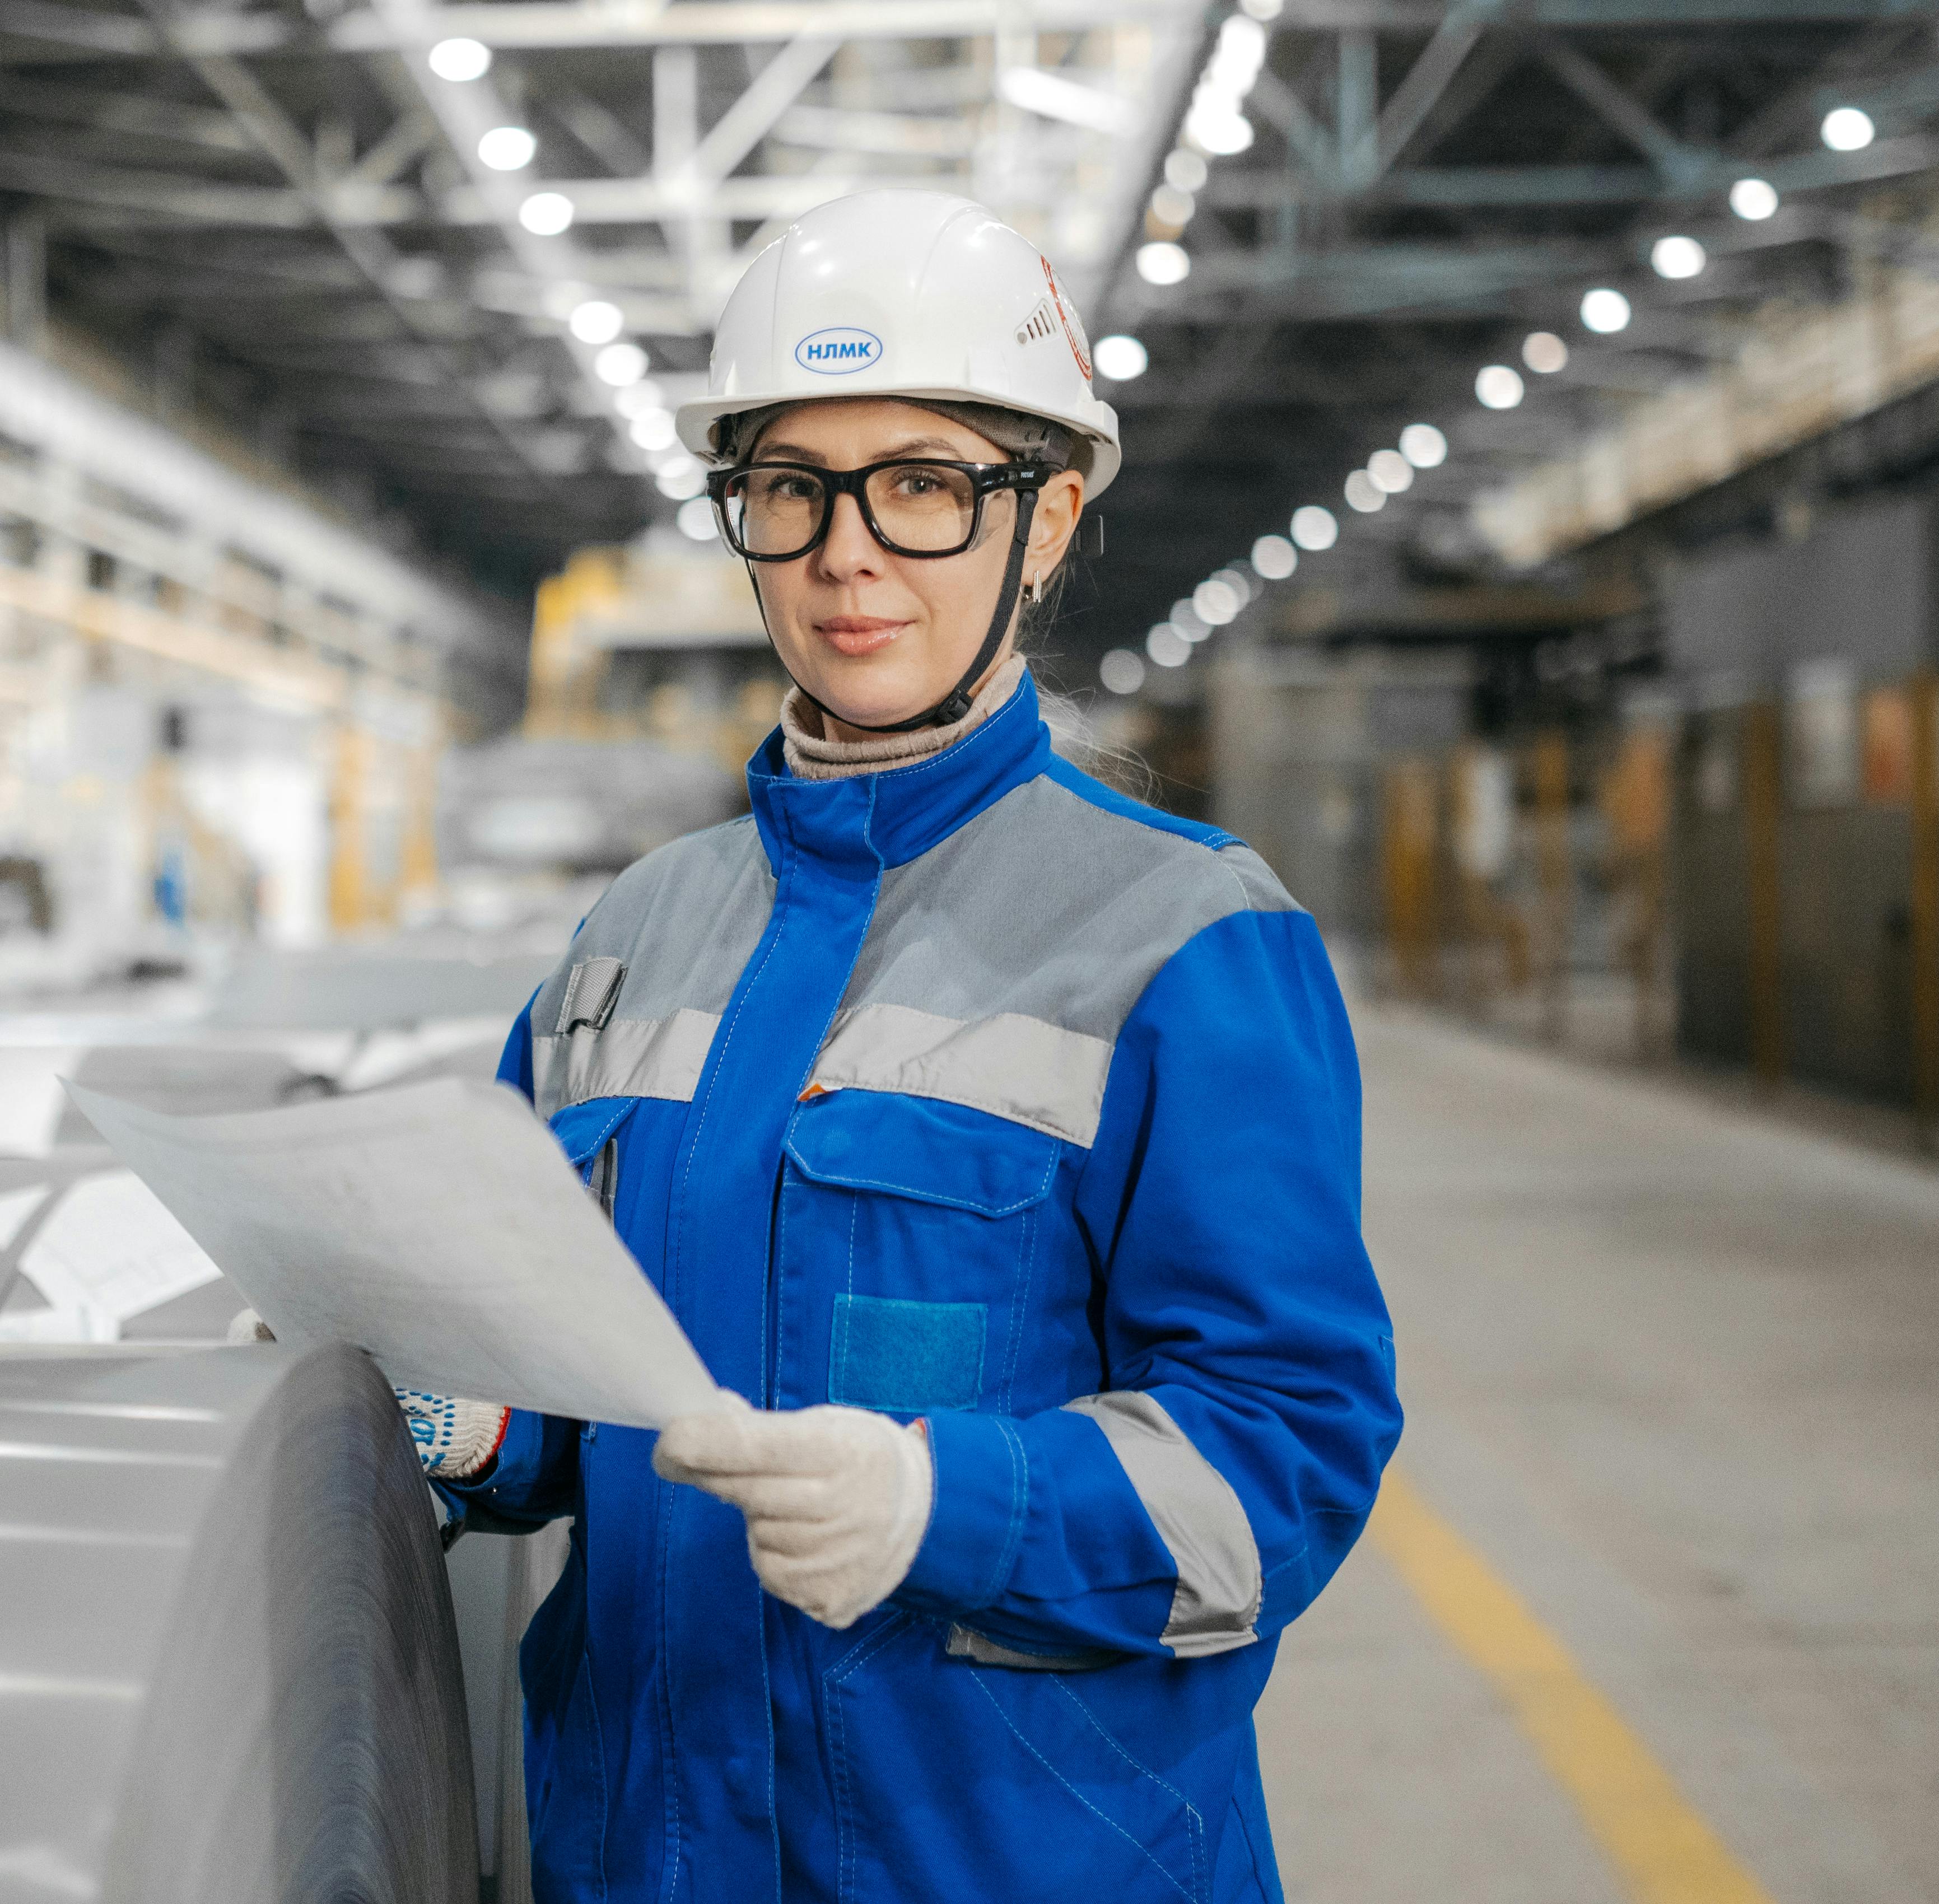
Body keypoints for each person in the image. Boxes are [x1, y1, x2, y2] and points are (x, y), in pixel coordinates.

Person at [400, 188, 1400, 1904]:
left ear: (1051, 513)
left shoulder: (1188, 942)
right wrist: (463, 1421)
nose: (849, 553)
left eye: (925, 486)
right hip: (640, 1854)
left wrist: (947, 1508)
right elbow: (578, 1390)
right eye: (792, 491)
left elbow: (1282, 1462)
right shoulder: (631, 936)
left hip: (1015, 1862)